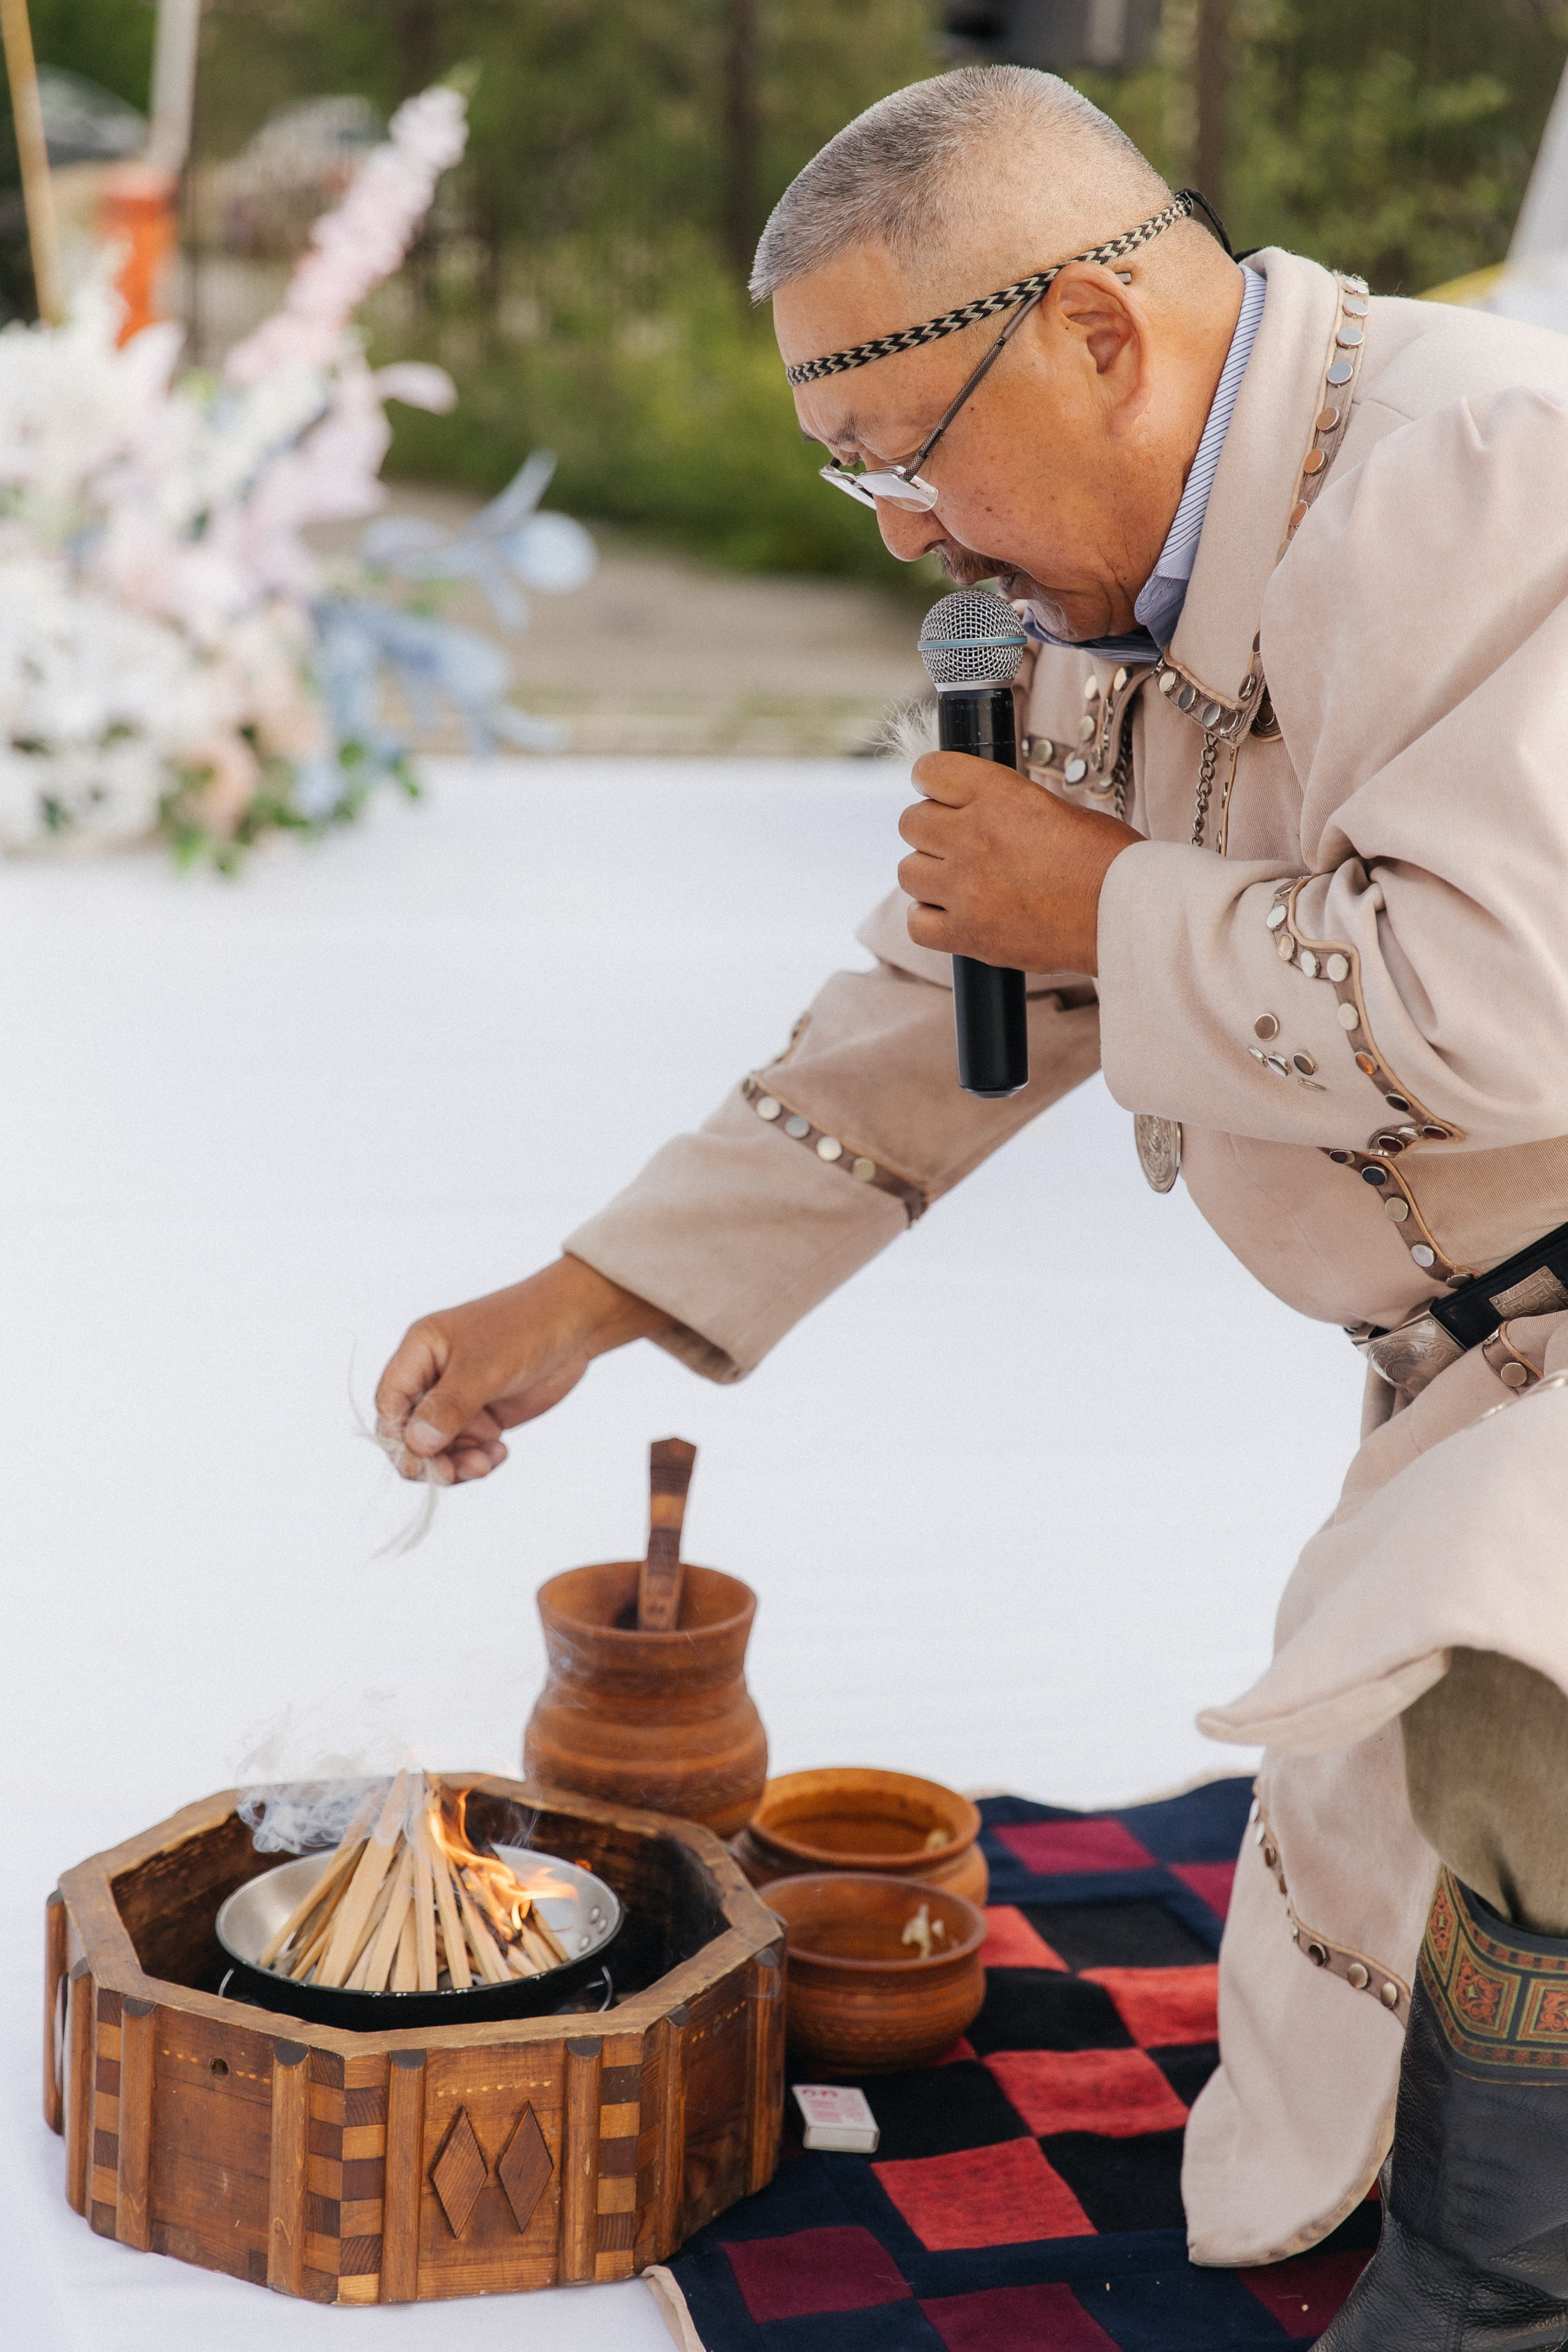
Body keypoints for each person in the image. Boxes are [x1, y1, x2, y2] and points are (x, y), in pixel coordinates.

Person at [376, 66, 1568, 2346]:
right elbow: (954, 983)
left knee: (1514, 1739)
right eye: (856, 474)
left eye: (908, 452)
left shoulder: (1482, 470)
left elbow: (1501, 1005)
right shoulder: (1101, 569)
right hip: (1473, 1349)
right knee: (1418, 1813)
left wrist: (1104, 896)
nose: (904, 535)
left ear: (1102, 335)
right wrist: (590, 1293)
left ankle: (1495, 2302)